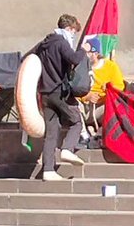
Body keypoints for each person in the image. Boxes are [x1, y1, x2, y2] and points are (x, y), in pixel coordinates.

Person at [32, 13, 91, 181]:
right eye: (74, 32)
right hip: (58, 91)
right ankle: (67, 149)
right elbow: (74, 58)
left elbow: (28, 58)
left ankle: (48, 170)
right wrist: (83, 50)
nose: (74, 35)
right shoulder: (60, 42)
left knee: (51, 132)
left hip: (44, 93)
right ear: (69, 29)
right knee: (76, 121)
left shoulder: (44, 44)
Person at [79, 38, 125, 134]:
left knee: (115, 107)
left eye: (87, 52)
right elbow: (74, 89)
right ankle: (83, 134)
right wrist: (86, 97)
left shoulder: (111, 67)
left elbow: (119, 87)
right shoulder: (79, 67)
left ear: (95, 53)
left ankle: (100, 134)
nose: (84, 55)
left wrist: (109, 89)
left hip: (101, 107)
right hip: (84, 108)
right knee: (72, 106)